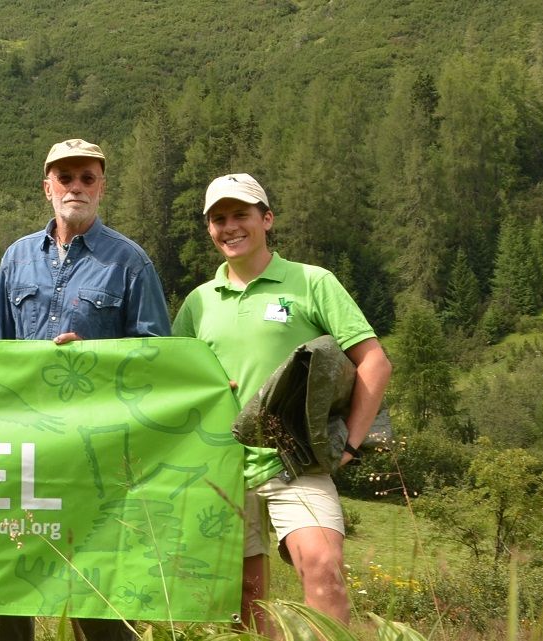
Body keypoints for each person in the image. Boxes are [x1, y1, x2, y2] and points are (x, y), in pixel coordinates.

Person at [171, 173, 391, 632]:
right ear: (209, 229)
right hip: (223, 469)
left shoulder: (312, 282)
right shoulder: (198, 303)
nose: (229, 227)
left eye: (241, 215)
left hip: (297, 461)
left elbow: (374, 363)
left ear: (266, 219)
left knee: (324, 571)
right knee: (247, 598)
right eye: (218, 219)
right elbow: (175, 380)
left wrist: (349, 445)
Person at [0, 139, 170, 641]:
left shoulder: (131, 263)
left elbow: (157, 357)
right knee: (6, 585)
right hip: (23, 447)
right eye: (65, 178)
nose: (76, 187)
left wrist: (96, 358)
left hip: (97, 453)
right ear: (47, 187)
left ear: (102, 186)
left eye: (87, 178)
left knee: (96, 588)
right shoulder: (16, 259)